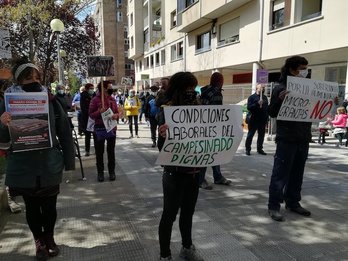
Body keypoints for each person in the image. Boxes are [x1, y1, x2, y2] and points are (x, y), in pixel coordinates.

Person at [0, 57, 75, 260]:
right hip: (25, 168)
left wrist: (69, 163)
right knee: (32, 208)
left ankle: (49, 238)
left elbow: (65, 133)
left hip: (49, 164)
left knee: (50, 207)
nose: (33, 80)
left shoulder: (50, 100)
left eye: (36, 77)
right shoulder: (7, 103)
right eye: (28, 77)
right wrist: (3, 124)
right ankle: (39, 241)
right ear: (18, 80)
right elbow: (2, 139)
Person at [157, 72, 204, 261]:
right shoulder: (166, 111)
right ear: (178, 90)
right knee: (169, 214)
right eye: (188, 89)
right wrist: (162, 136)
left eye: (194, 89)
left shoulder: (199, 109)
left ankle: (187, 246)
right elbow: (162, 149)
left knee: (188, 213)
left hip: (194, 172)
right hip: (174, 173)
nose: (192, 92)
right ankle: (165, 254)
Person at [267, 55, 312, 222]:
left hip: (303, 138)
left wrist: (329, 101)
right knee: (280, 174)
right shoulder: (281, 88)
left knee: (297, 173)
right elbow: (271, 112)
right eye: (302, 69)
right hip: (287, 138)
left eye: (306, 69)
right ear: (293, 69)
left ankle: (293, 202)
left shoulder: (309, 88)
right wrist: (279, 101)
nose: (305, 72)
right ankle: (274, 206)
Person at [198, 72, 232, 190]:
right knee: (208, 152)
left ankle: (217, 176)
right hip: (211, 128)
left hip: (202, 125)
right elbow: (216, 113)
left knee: (212, 152)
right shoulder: (216, 93)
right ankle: (201, 179)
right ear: (220, 81)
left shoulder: (205, 90)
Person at [89, 80, 119, 182]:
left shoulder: (112, 99)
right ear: (104, 88)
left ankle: (112, 172)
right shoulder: (95, 100)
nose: (111, 89)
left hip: (111, 128)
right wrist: (99, 112)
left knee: (111, 152)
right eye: (110, 87)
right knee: (99, 152)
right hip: (99, 129)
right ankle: (100, 173)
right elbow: (91, 115)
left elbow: (117, 112)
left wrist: (116, 116)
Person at [245, 83, 269, 156]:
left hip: (262, 119)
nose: (263, 89)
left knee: (261, 135)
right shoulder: (252, 97)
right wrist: (257, 104)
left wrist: (267, 118)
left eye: (263, 88)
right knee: (250, 135)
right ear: (257, 89)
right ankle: (248, 149)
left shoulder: (265, 97)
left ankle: (259, 149)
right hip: (254, 119)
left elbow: (266, 108)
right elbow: (249, 107)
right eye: (261, 88)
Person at [80, 83, 95, 156]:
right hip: (86, 118)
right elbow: (83, 107)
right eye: (90, 88)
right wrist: (90, 113)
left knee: (96, 135)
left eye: (93, 88)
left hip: (95, 118)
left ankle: (97, 149)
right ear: (87, 89)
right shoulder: (83, 96)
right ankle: (87, 150)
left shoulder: (95, 95)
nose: (92, 90)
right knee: (88, 135)